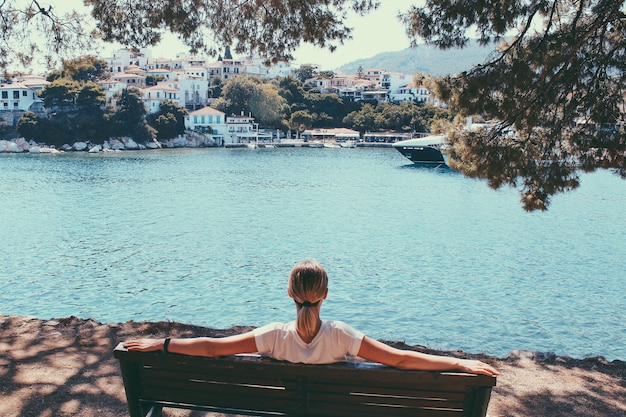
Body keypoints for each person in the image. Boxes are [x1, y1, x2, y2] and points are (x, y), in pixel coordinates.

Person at [124, 260, 499, 377]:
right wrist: (459, 363)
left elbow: (213, 349)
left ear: (290, 294)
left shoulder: (273, 337)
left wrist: (163, 344)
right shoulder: (342, 337)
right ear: (325, 295)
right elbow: (399, 359)